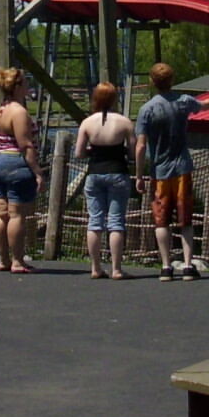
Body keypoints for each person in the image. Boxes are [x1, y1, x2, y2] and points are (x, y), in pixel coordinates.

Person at [134, 62, 209, 281]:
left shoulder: (147, 109)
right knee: (185, 219)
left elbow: (140, 145)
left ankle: (166, 266)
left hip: (160, 171)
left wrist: (139, 174)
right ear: (171, 80)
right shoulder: (183, 102)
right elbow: (203, 106)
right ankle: (187, 265)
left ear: (152, 82)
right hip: (182, 167)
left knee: (161, 219)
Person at [74, 82, 134, 280]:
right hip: (118, 172)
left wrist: (94, 150)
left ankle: (95, 267)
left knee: (95, 221)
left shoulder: (87, 123)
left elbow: (79, 153)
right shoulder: (124, 122)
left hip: (95, 173)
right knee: (116, 221)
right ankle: (116, 268)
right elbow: (133, 152)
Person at [0, 67, 39, 273]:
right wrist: (37, 172)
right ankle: (17, 260)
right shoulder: (19, 112)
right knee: (17, 214)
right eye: (25, 82)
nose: (27, 86)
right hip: (15, 162)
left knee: (1, 213)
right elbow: (25, 145)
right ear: (17, 86)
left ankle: (2, 259)